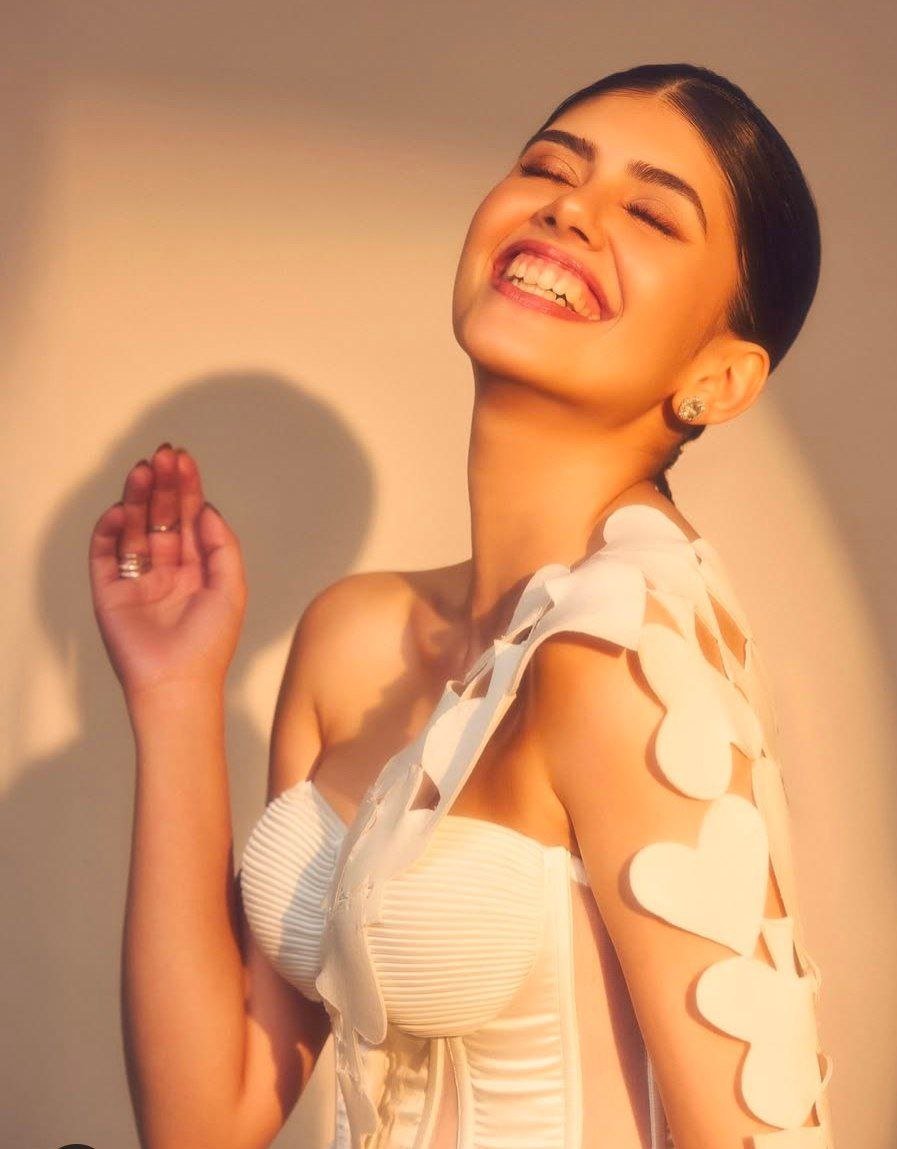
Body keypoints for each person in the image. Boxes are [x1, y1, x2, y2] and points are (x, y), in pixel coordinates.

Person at [89, 63, 833, 1149]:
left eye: (649, 213)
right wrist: (173, 694)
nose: (569, 210)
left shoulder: (627, 654)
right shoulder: (351, 638)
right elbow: (206, 1120)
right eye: (548, 167)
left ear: (717, 380)